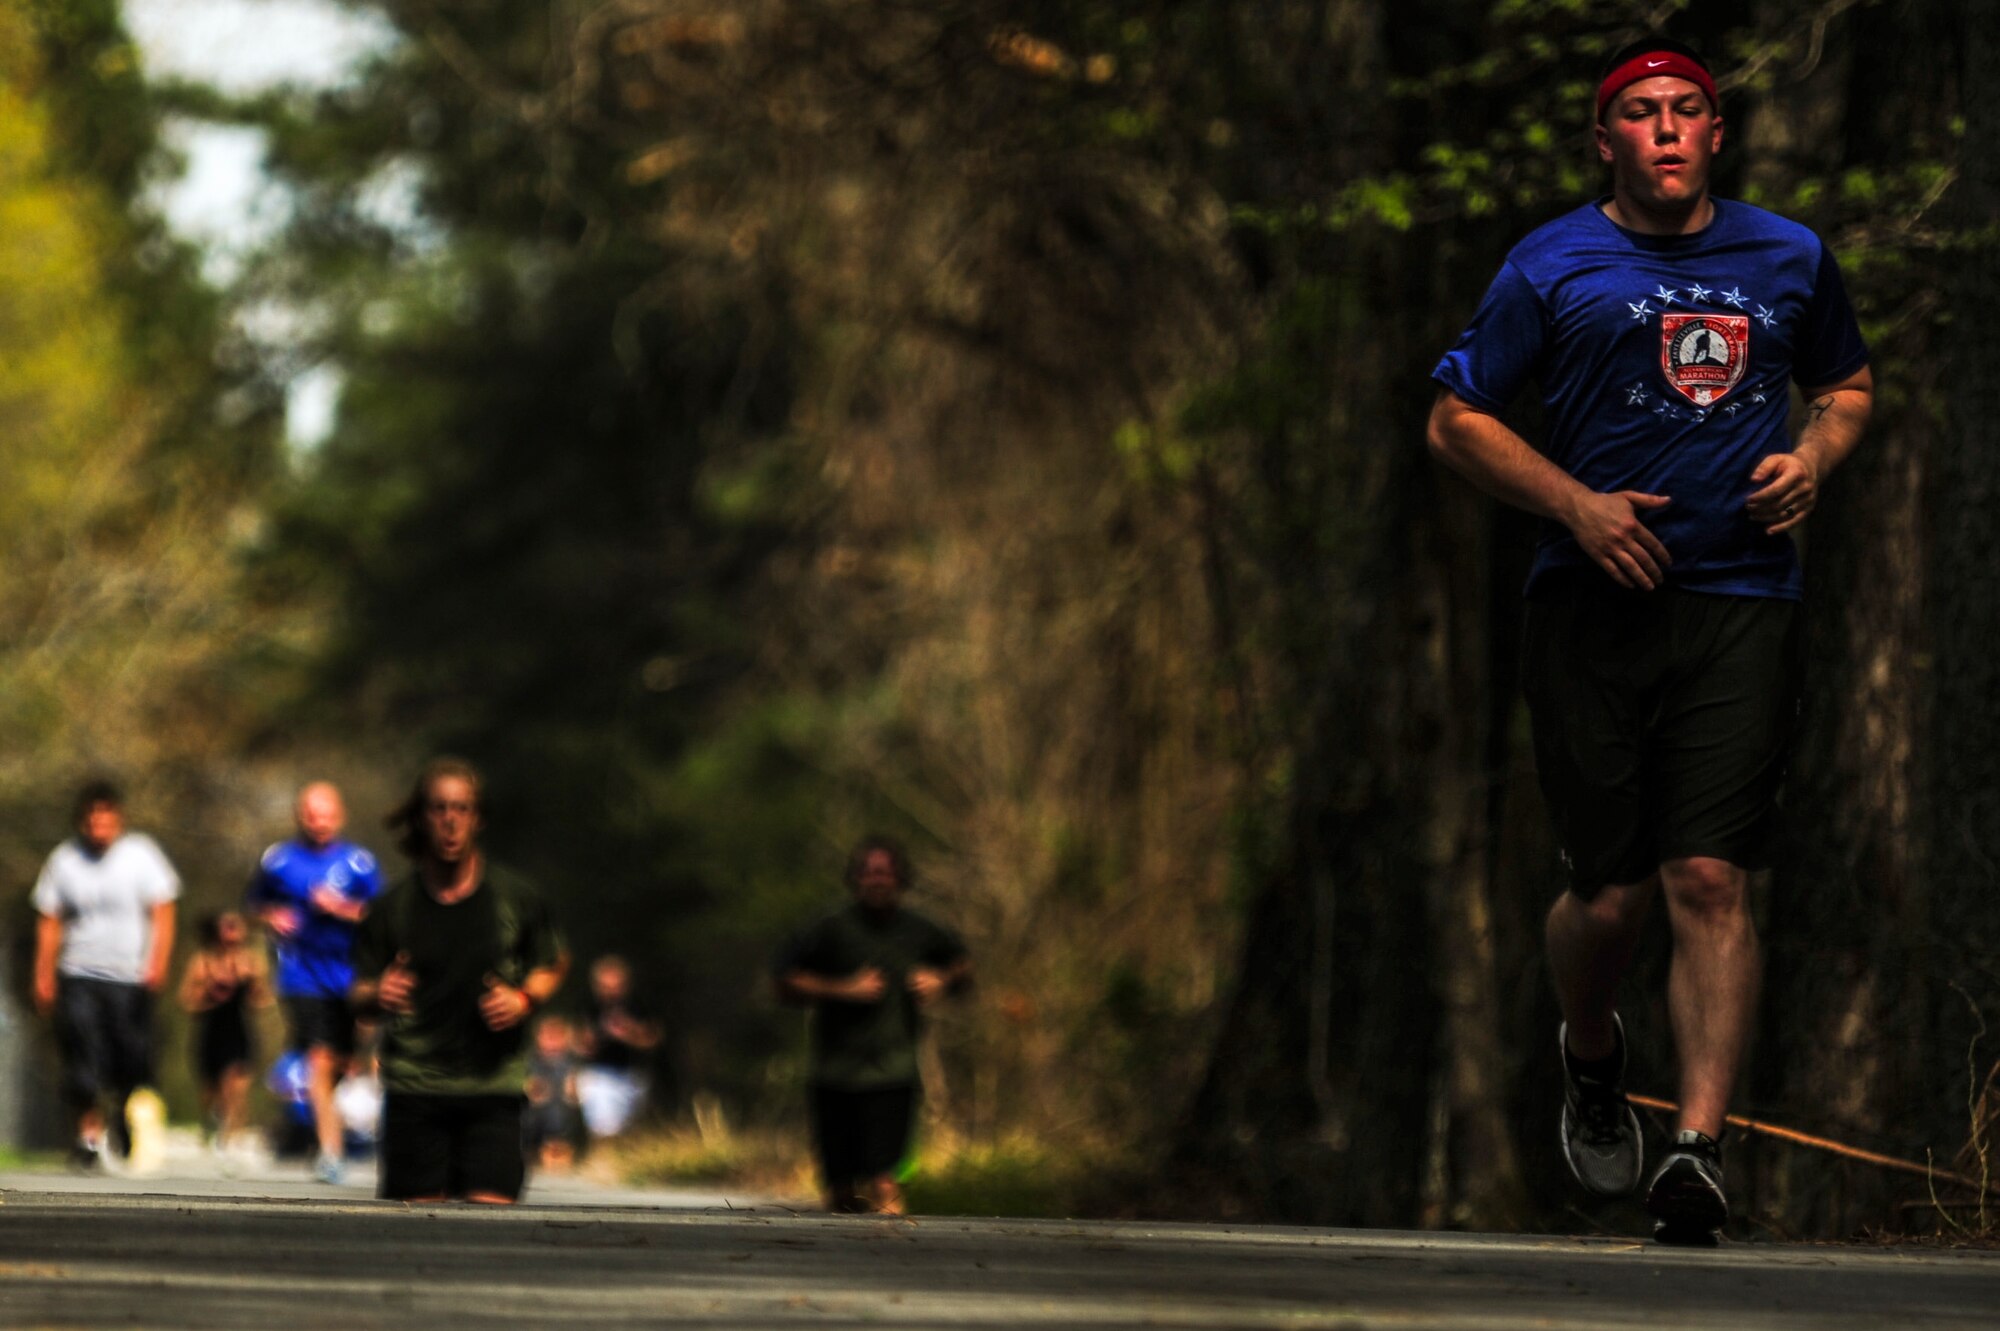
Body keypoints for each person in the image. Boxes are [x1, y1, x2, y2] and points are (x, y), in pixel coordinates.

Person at [1427, 36, 1873, 1242]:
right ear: (1604, 139)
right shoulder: (1548, 264)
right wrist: (1574, 503)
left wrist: (1813, 458)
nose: (1667, 129)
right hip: (1587, 599)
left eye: (1687, 110)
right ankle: (1589, 1045)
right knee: (1608, 898)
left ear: (1714, 133)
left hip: (1740, 597)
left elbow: (1846, 384)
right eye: (1640, 113)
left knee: (1707, 874)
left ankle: (1694, 1148)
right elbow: (1453, 421)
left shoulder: (1787, 255)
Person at [349, 757, 567, 1203]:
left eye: (462, 809)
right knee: (416, 1231)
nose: (450, 821)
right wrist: (378, 992)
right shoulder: (393, 907)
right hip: (415, 1088)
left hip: (492, 1089)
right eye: (439, 808)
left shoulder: (515, 898)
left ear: (478, 818)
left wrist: (523, 999)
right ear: (420, 818)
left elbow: (552, 963)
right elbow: (357, 991)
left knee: (491, 1227)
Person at [774, 835, 970, 1214]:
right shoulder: (830, 927)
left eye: (885, 872)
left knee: (886, 1182)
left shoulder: (921, 930)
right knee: (842, 1194)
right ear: (855, 878)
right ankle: (844, 1266)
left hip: (893, 1072)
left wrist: (941, 980)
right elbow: (782, 978)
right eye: (868, 873)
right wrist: (840, 988)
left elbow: (963, 964)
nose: (877, 880)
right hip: (835, 1072)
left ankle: (895, 1263)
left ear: (900, 878)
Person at [30, 779, 180, 1170]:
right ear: (83, 821)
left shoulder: (141, 855)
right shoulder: (65, 860)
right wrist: (43, 974)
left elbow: (163, 912)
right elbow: (49, 920)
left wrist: (157, 963)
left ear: (118, 820)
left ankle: (121, 1113)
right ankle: (88, 1136)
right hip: (78, 972)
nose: (99, 828)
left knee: (130, 1057)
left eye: (106, 820)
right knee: (83, 1053)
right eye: (92, 821)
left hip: (129, 977)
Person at [246, 781, 386, 1185]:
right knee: (319, 1058)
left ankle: (328, 1128)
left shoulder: (360, 863)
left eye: (325, 813)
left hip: (349, 976)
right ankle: (330, 1150)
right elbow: (253, 905)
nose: (318, 821)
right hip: (299, 975)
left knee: (342, 1060)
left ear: (339, 815)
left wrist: (340, 907)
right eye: (310, 813)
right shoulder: (279, 861)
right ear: (298, 816)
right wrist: (269, 917)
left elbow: (382, 916)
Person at [177, 909, 270, 1153]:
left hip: (240, 1031)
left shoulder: (251, 961)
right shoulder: (203, 961)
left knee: (237, 1087)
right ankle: (212, 1123)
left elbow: (263, 1001)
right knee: (212, 1090)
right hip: (211, 1031)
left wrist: (251, 986)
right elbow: (186, 1001)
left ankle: (232, 1139)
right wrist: (210, 994)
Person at [575, 955, 660, 1142]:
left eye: (616, 986)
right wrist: (595, 1038)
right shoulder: (589, 1008)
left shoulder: (638, 1006)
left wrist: (629, 1033)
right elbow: (580, 1046)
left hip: (633, 1074)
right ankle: (602, 1165)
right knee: (604, 1130)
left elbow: (653, 1039)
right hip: (602, 1074)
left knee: (631, 1132)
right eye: (606, 986)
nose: (611, 991)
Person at [522, 1015, 583, 1172]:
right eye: (548, 1036)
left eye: (556, 1037)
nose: (552, 1042)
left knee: (559, 1102)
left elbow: (575, 1093)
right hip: (533, 1113)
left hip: (560, 1111)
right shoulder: (529, 1061)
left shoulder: (572, 1062)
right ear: (539, 1037)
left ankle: (557, 1147)